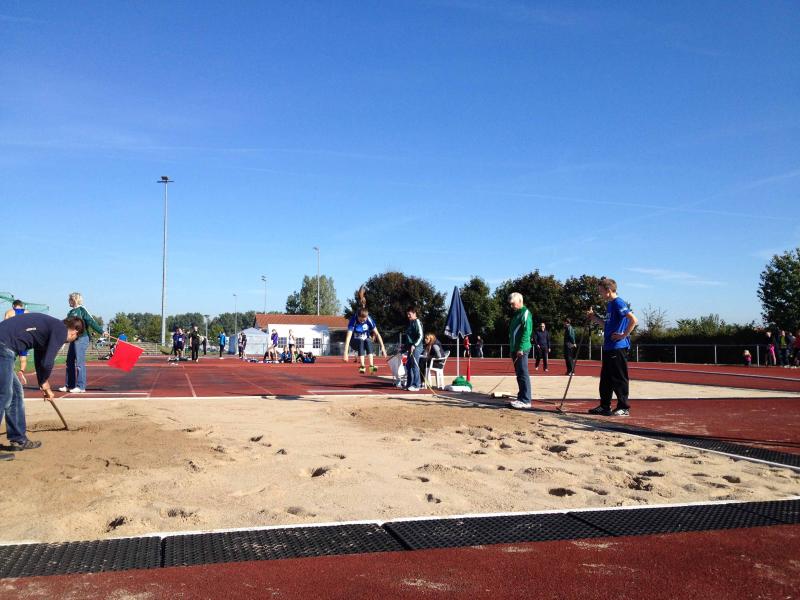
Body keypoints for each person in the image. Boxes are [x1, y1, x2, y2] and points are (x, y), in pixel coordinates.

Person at [0, 314, 85, 458]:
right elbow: (47, 362)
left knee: (15, 393)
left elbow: (40, 358)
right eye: (74, 339)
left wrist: (42, 382)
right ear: (74, 332)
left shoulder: (48, 329)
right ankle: (18, 438)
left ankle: (18, 439)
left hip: (4, 345)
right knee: (4, 395)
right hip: (3, 345)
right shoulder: (60, 329)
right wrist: (46, 383)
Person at [586, 277, 638, 417]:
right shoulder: (610, 305)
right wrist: (594, 318)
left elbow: (633, 319)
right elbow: (607, 325)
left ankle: (623, 407)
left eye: (601, 291)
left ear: (608, 290)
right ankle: (605, 406)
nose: (600, 294)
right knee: (606, 378)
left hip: (618, 347)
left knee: (619, 377)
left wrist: (623, 335)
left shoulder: (618, 302)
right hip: (609, 346)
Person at [59, 292, 104, 393]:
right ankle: (69, 385)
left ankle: (81, 386)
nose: (68, 301)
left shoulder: (82, 310)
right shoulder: (70, 313)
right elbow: (67, 327)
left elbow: (91, 321)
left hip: (82, 338)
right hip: (73, 339)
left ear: (74, 300)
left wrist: (101, 331)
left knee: (79, 363)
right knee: (69, 362)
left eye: (70, 299)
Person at [507, 292, 533, 409]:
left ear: (520, 301)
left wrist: (521, 348)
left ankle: (526, 400)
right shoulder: (516, 314)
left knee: (523, 373)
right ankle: (521, 397)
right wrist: (513, 348)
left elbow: (527, 332)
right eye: (510, 304)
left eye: (513, 304)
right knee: (519, 374)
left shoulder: (525, 313)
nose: (511, 306)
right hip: (515, 348)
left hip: (522, 348)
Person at [343, 308, 387, 374]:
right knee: (361, 340)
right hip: (354, 342)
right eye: (360, 320)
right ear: (358, 316)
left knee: (368, 340)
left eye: (364, 320)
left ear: (367, 317)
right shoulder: (353, 320)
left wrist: (383, 347)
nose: (362, 322)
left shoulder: (369, 319)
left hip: (365, 342)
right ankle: (362, 366)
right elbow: (348, 337)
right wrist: (345, 353)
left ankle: (371, 366)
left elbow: (377, 334)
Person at [3, 300, 29, 384]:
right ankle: (21, 372)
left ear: (13, 306)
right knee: (23, 357)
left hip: (12, 338)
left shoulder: (9, 312)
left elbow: (4, 325)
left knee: (11, 357)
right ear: (21, 305)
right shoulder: (27, 312)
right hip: (24, 338)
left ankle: (11, 374)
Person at [403, 307, 424, 391]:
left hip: (417, 347)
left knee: (415, 365)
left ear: (414, 314)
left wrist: (414, 345)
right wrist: (404, 348)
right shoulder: (410, 323)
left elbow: (421, 335)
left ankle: (416, 385)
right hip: (410, 348)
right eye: (407, 314)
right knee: (408, 365)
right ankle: (409, 384)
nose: (408, 316)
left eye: (410, 314)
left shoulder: (417, 322)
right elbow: (409, 338)